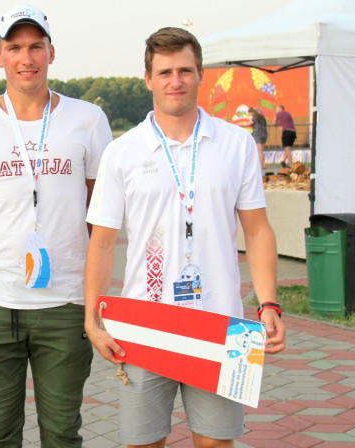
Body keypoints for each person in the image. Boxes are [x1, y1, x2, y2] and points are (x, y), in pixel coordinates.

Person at [84, 27, 286, 448]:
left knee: (216, 443)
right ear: (148, 79)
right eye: (164, 73)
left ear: (200, 75)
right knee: (142, 443)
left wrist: (269, 303)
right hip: (143, 324)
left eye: (184, 71)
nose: (175, 81)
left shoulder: (237, 144)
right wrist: (92, 317)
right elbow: (101, 241)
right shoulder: (122, 152)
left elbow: (258, 228)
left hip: (222, 322)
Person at [0, 5, 112, 447]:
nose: (26, 58)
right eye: (15, 47)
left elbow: (102, 212)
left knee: (61, 432)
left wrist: (88, 281)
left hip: (67, 303)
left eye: (36, 46)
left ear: (51, 53)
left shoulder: (87, 120)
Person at [249, 107, 267, 171]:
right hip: (264, 134)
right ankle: (264, 164)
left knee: (259, 151)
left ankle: (261, 165)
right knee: (261, 150)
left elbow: (250, 123)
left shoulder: (255, 117)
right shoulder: (262, 117)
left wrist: (242, 124)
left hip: (257, 134)